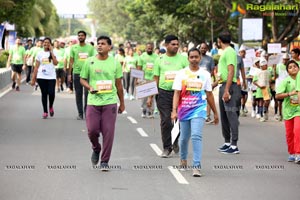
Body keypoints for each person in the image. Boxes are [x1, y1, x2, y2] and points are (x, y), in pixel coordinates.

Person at [171, 47, 219, 177]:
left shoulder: (205, 74)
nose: (194, 59)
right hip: (184, 109)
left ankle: (196, 166)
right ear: (188, 59)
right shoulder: (181, 74)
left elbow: (209, 94)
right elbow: (176, 93)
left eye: (196, 57)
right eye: (191, 57)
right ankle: (183, 159)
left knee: (196, 136)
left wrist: (215, 112)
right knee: (184, 138)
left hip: (199, 109)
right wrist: (174, 111)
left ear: (200, 58)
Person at [80, 36, 125, 170]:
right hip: (93, 101)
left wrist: (122, 103)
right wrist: (89, 87)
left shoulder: (115, 63)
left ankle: (104, 161)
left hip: (110, 102)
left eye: (103, 44)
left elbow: (119, 85)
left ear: (109, 47)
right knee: (92, 130)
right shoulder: (89, 61)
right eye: (98, 44)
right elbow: (82, 79)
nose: (99, 46)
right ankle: (96, 148)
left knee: (108, 132)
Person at [149, 35, 189, 158]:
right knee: (166, 121)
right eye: (173, 44)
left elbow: (188, 76)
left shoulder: (183, 59)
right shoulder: (159, 60)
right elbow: (155, 79)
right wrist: (150, 97)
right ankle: (167, 147)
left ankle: (175, 139)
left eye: (177, 44)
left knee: (179, 120)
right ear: (166, 45)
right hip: (163, 93)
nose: (176, 46)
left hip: (180, 94)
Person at [216, 31, 241, 154]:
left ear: (219, 40)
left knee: (231, 116)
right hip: (223, 85)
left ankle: (234, 145)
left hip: (230, 86)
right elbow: (223, 73)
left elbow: (231, 71)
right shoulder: (225, 52)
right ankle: (227, 142)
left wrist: (227, 90)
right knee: (224, 116)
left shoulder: (230, 51)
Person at [276, 60, 300, 164]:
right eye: (290, 67)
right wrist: (290, 93)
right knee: (290, 134)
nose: (293, 68)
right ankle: (292, 152)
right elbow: (277, 95)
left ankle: (298, 153)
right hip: (288, 111)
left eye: (295, 66)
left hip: (298, 111)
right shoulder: (285, 81)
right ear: (288, 71)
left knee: (297, 130)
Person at [68, 30, 95, 120]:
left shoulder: (90, 48)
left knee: (87, 94)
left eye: (82, 35)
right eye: (79, 35)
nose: (80, 37)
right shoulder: (73, 48)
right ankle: (80, 113)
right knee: (78, 94)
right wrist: (69, 74)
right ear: (77, 37)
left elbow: (93, 61)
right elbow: (71, 61)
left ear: (85, 37)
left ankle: (87, 112)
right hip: (77, 73)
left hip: (88, 74)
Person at [31, 37, 58, 119]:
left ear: (50, 44)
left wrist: (52, 52)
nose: (46, 44)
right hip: (41, 76)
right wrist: (33, 78)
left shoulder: (53, 52)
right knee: (44, 94)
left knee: (51, 93)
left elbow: (56, 63)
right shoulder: (39, 53)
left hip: (51, 77)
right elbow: (36, 67)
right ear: (43, 44)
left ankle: (51, 106)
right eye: (45, 42)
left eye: (48, 43)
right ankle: (45, 111)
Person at [137, 42, 158, 118]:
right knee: (144, 96)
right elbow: (139, 68)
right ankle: (144, 109)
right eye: (148, 48)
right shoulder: (142, 56)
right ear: (146, 48)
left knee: (151, 96)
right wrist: (138, 79)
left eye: (151, 48)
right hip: (144, 78)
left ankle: (150, 111)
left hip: (153, 78)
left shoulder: (156, 57)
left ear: (153, 48)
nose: (149, 49)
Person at [199, 43, 215, 124]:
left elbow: (212, 70)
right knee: (199, 98)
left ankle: (207, 116)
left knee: (208, 98)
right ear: (199, 48)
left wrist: (209, 77)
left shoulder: (210, 59)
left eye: (205, 48)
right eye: (202, 48)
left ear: (207, 49)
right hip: (197, 81)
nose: (203, 49)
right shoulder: (197, 58)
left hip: (207, 81)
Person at [274, 53, 290, 121]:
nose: (285, 61)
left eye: (286, 60)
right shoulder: (278, 66)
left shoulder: (291, 66)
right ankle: (280, 114)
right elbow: (276, 76)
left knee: (288, 101)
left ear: (288, 59)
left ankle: (287, 114)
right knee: (279, 101)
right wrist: (274, 69)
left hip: (288, 85)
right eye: (284, 60)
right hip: (280, 85)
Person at [237, 46, 248, 116]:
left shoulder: (248, 61)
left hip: (246, 80)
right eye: (241, 52)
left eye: (244, 52)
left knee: (245, 96)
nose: (242, 53)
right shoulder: (237, 60)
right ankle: (240, 109)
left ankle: (243, 107)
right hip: (238, 80)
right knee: (240, 96)